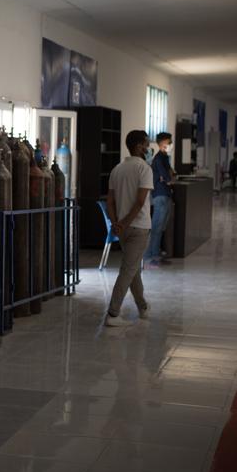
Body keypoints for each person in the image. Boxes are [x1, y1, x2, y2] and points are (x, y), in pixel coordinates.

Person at [104, 130, 153, 327]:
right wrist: (123, 222)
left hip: (123, 229)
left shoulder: (118, 169)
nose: (149, 148)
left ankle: (143, 307)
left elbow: (110, 200)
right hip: (139, 227)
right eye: (147, 144)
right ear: (139, 146)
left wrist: (116, 223)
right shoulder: (144, 169)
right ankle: (113, 314)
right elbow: (141, 201)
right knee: (128, 270)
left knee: (133, 269)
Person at [144, 132, 174, 268]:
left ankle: (156, 255)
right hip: (160, 195)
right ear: (162, 144)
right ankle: (150, 257)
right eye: (169, 142)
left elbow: (171, 175)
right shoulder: (158, 159)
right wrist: (167, 178)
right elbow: (167, 178)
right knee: (156, 227)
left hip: (166, 194)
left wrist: (168, 177)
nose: (171, 145)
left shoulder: (165, 158)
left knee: (161, 227)